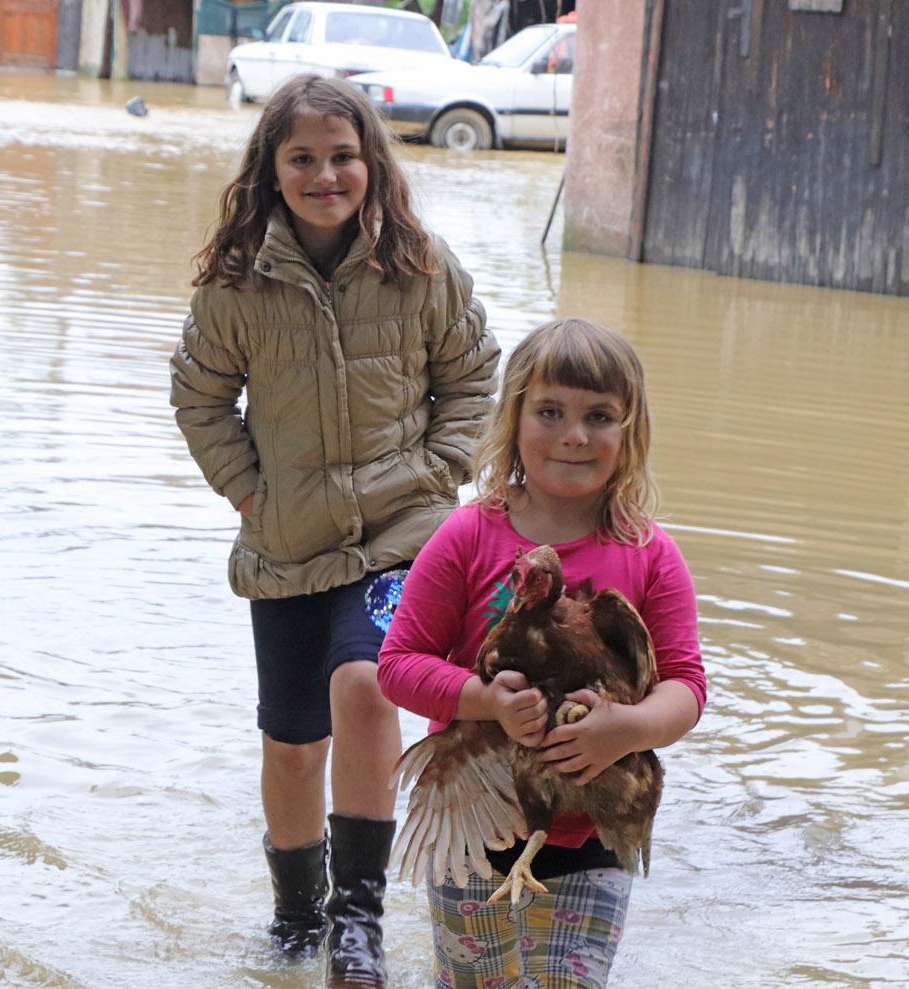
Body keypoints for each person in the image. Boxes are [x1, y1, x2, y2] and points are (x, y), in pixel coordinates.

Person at [169, 75, 499, 987]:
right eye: (303, 159)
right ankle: (296, 913)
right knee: (291, 740)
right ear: (271, 171)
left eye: (343, 156)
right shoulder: (236, 284)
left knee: (366, 682)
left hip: (404, 532)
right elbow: (199, 399)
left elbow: (474, 375)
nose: (326, 174)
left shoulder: (421, 265)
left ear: (372, 163)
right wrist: (249, 496)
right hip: (286, 540)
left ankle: (358, 921)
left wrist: (440, 471)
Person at [377, 318, 705, 987]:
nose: (575, 435)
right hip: (472, 822)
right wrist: (485, 701)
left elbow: (686, 687)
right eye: (550, 411)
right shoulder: (468, 535)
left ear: (630, 431)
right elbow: (398, 662)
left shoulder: (650, 554)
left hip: (598, 828)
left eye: (599, 416)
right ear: (514, 416)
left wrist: (629, 727)